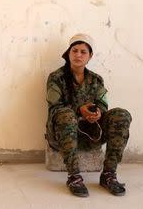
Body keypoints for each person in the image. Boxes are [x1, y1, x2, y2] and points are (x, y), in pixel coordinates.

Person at [45, 33, 132, 197]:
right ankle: (74, 177)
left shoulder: (96, 80)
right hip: (63, 135)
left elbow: (103, 104)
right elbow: (54, 108)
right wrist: (79, 111)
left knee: (121, 115)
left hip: (91, 134)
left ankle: (108, 175)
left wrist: (98, 113)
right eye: (74, 50)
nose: (78, 55)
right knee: (65, 114)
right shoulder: (56, 78)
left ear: (90, 56)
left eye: (83, 52)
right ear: (68, 53)